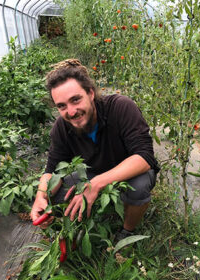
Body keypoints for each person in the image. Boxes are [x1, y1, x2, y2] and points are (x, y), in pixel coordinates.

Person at [30, 59, 159, 239]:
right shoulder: (62, 127)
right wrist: (41, 197)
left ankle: (127, 231)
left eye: (76, 100)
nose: (71, 111)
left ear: (90, 93)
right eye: (62, 106)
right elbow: (52, 170)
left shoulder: (120, 107)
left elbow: (144, 158)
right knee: (54, 194)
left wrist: (97, 184)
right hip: (93, 173)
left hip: (130, 172)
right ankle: (84, 223)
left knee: (139, 187)